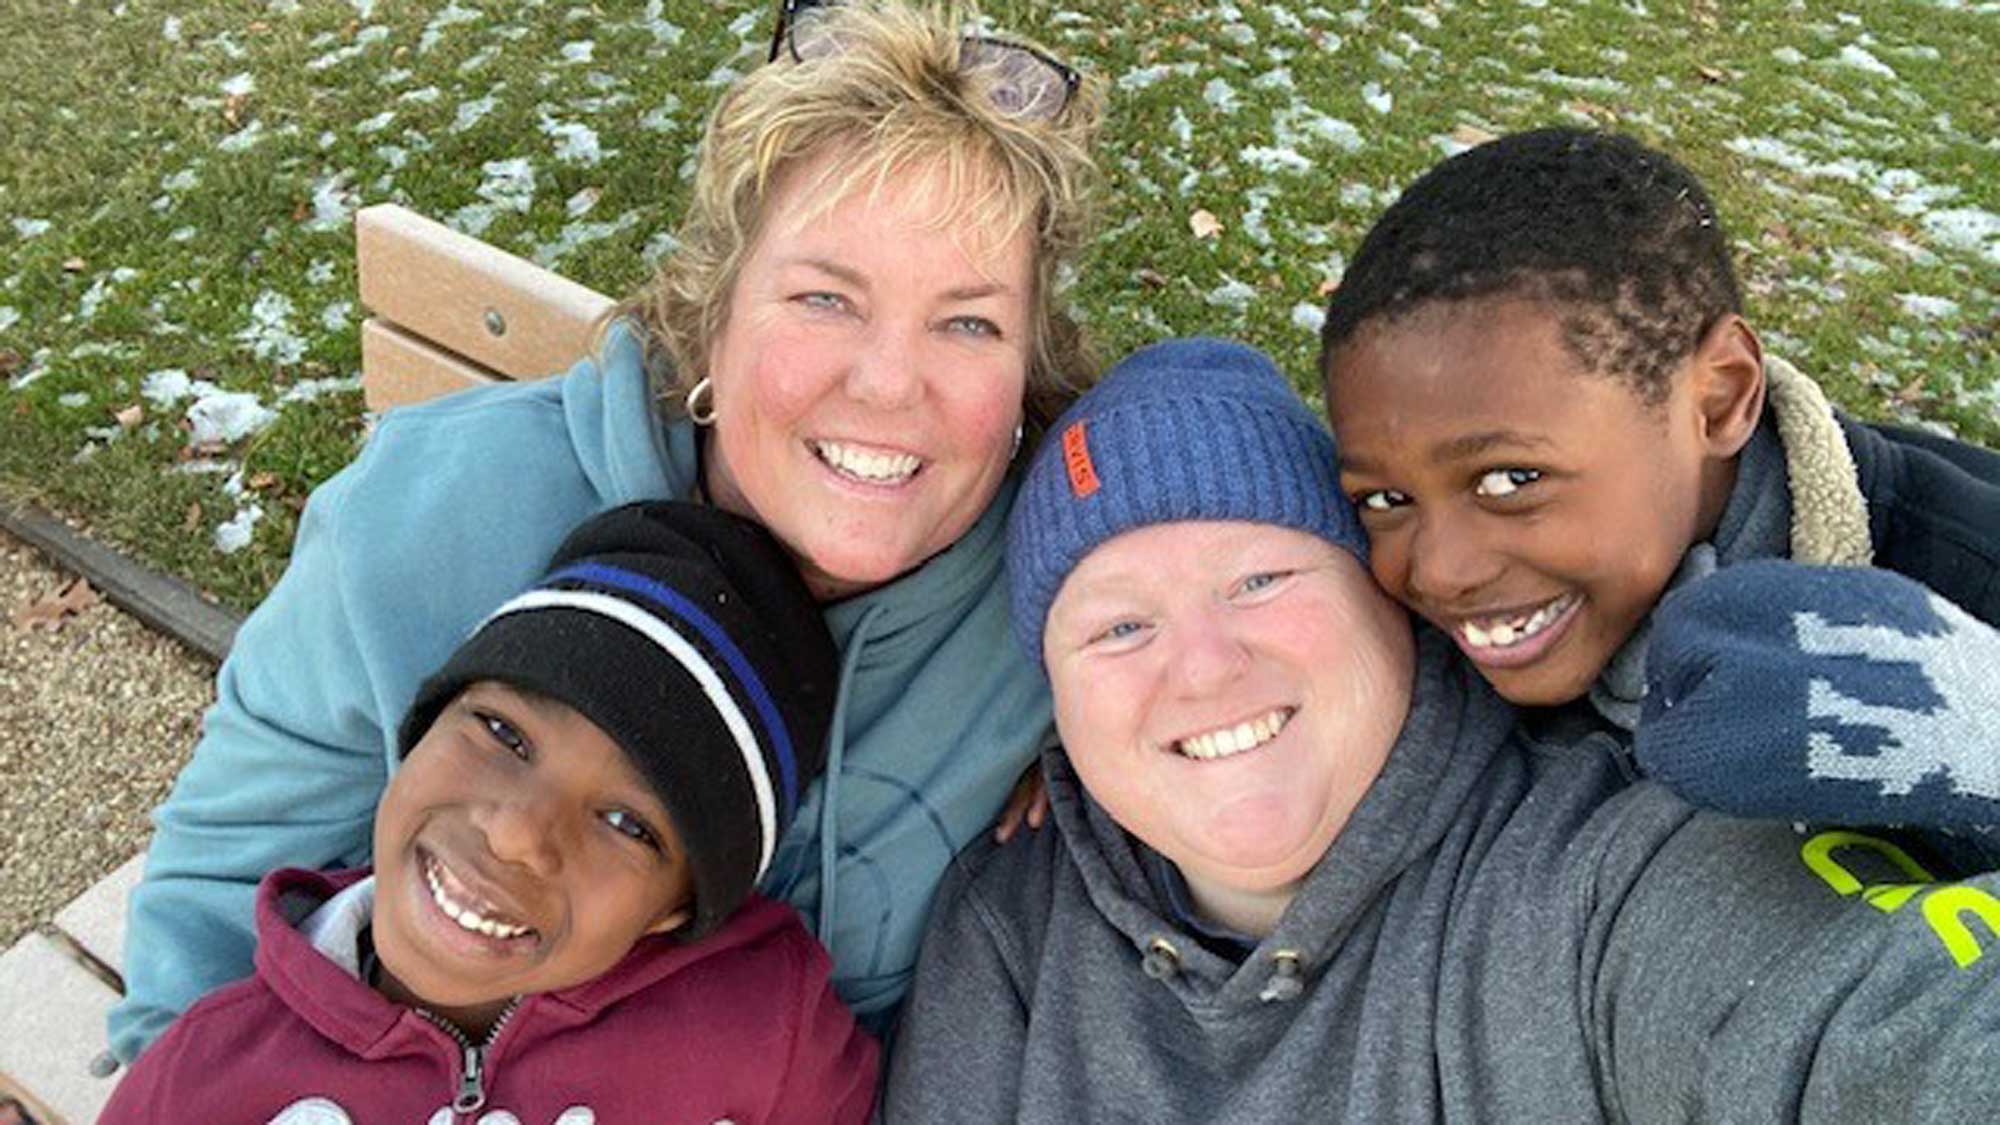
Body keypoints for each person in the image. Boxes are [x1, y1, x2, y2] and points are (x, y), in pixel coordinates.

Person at [112, 0, 1104, 1062]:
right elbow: (216, 912)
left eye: (968, 322)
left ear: (1026, 371)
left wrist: (1110, 753)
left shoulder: (1065, 610)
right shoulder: (436, 514)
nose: (889, 383)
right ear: (713, 315)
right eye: (826, 298)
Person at [881, 337, 2000, 1122]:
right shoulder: (1008, 931)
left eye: (1261, 580)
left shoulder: (1596, 873)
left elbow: (1880, 1038)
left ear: (1394, 608)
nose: (1205, 666)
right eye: (1117, 627)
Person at [1318, 127, 2000, 837]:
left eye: (1511, 479)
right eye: (1386, 499)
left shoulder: (1970, 622)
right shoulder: (1400, 646)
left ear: (1720, 399)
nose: (1441, 570)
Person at [101, 502, 877, 1123]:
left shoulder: (765, 1030)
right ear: (422, 727)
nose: (515, 833)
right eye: (504, 734)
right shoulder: (204, 1074)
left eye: (627, 823)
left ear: (675, 909)